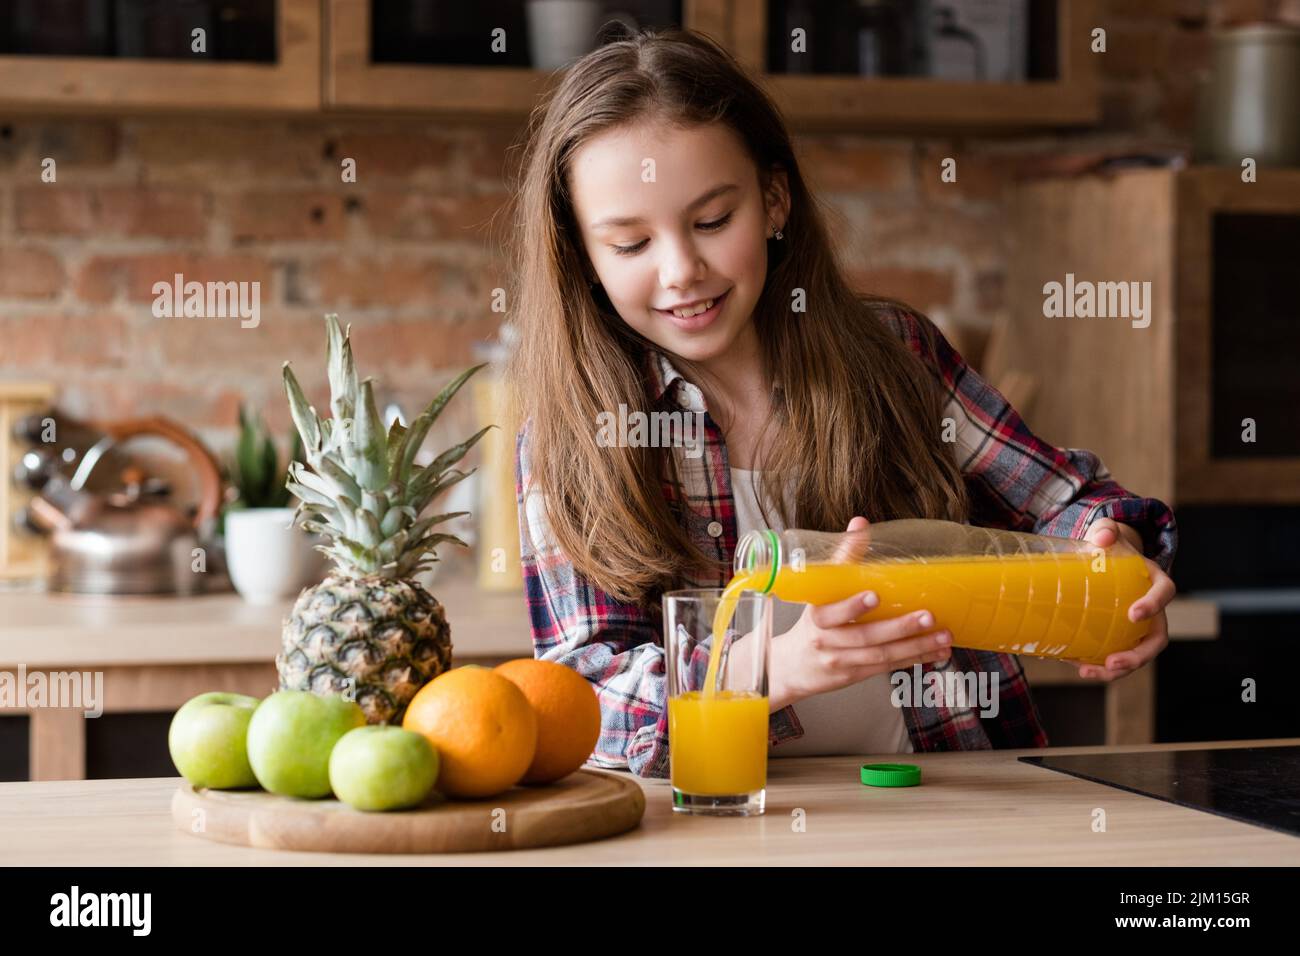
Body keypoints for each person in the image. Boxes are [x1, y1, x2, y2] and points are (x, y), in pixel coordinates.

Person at [502, 28, 1177, 778]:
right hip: (724, 824)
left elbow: (1067, 501)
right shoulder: (574, 441)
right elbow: (582, 695)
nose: (681, 271)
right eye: (629, 245)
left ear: (774, 200)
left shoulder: (894, 355)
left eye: (712, 221)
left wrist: (1115, 555)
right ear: (584, 261)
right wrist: (770, 667)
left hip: (954, 802)